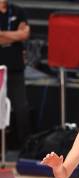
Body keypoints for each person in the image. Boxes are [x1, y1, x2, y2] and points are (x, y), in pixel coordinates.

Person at [0, 0, 30, 150]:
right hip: (0, 70)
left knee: (21, 108)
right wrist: (15, 35)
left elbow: (25, 34)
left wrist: (3, 35)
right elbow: (19, 34)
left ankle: (25, 147)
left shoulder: (18, 10)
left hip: (15, 68)